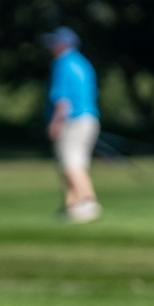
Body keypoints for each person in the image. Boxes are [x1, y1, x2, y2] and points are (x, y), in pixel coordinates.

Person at [45, 27, 102, 223]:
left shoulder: (62, 64)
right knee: (77, 163)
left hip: (72, 120)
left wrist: (54, 122)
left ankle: (88, 202)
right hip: (90, 118)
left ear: (63, 44)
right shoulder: (82, 63)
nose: (51, 47)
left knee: (70, 164)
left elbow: (62, 100)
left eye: (54, 42)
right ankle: (72, 206)